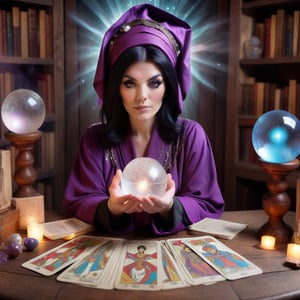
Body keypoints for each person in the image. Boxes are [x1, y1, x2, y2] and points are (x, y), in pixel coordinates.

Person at [63, 3, 224, 236]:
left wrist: (170, 207)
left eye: (154, 83)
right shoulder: (95, 138)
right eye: (130, 83)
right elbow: (80, 199)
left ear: (169, 86)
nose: (142, 97)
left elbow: (207, 203)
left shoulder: (191, 136)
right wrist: (110, 208)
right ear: (116, 87)